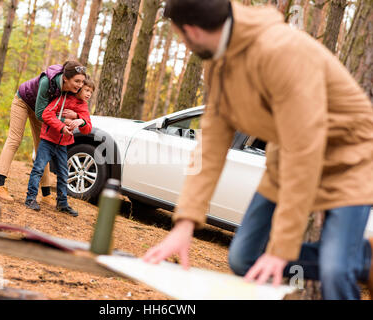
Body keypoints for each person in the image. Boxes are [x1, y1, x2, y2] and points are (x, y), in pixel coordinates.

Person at [143, 0, 373, 300]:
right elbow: (211, 144)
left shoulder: (281, 53)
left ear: (193, 31)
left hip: (349, 161)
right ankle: (364, 260)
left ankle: (350, 261)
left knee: (336, 272)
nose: (184, 46)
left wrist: (281, 250)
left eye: (180, 38)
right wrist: (185, 223)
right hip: (287, 161)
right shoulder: (218, 60)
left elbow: (304, 153)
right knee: (243, 259)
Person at [0, 61, 87, 207]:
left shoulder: (71, 90)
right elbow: (41, 112)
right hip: (23, 101)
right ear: (66, 78)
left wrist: (76, 117)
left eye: (82, 81)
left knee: (43, 147)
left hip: (42, 111)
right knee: (15, 139)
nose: (80, 85)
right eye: (77, 81)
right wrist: (63, 121)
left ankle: (46, 194)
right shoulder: (46, 82)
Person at [25, 88, 92, 214]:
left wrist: (79, 119)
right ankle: (30, 198)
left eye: (91, 92)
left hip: (63, 144)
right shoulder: (62, 97)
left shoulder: (83, 105)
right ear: (78, 89)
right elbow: (47, 114)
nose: (89, 94)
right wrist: (62, 122)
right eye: (87, 90)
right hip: (48, 140)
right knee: (38, 168)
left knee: (63, 174)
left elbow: (87, 128)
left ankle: (62, 203)